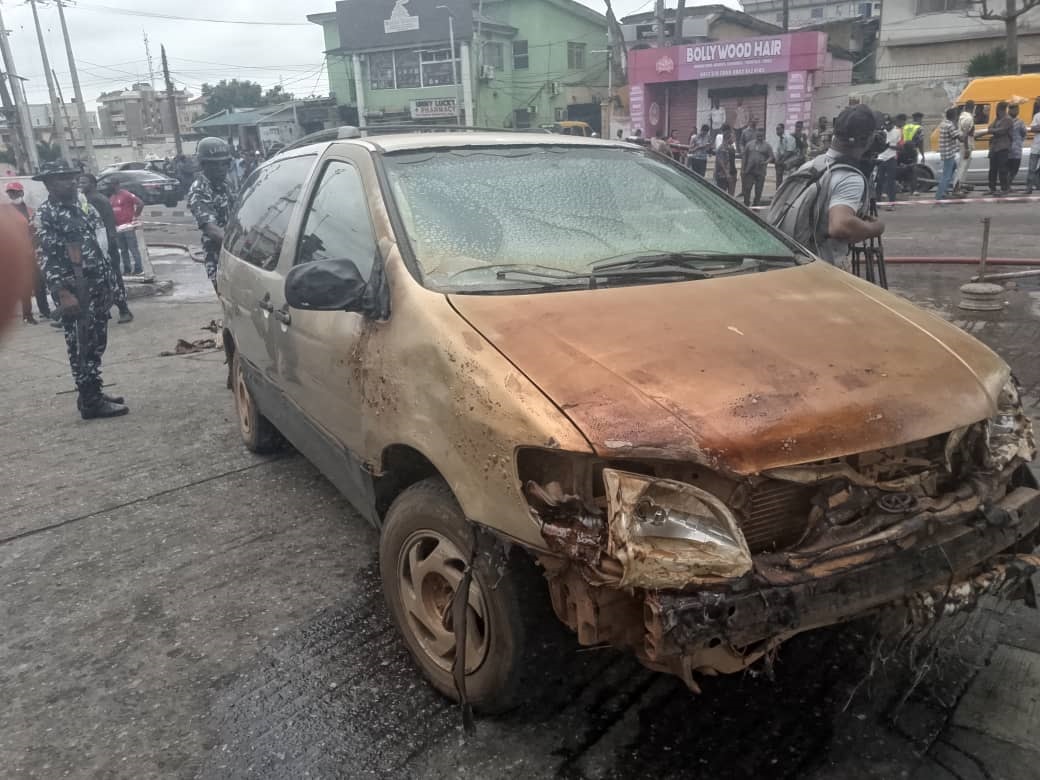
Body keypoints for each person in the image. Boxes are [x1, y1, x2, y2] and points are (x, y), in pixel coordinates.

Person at [32, 160, 128, 419]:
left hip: (98, 285)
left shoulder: (82, 206)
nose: (71, 182)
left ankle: (92, 391)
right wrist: (63, 294)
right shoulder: (46, 215)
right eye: (63, 178)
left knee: (96, 343)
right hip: (76, 291)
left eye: (72, 177)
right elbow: (45, 259)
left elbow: (99, 243)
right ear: (49, 183)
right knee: (81, 345)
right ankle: (90, 402)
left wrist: (111, 284)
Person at [769, 104, 885, 270]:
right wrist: (876, 227)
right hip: (824, 269)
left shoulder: (813, 165)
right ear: (867, 139)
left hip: (797, 261)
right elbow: (840, 226)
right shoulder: (849, 177)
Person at [81, 174, 133, 324]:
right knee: (98, 281)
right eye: (79, 182)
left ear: (93, 183)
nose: (80, 184)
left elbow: (109, 223)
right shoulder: (85, 200)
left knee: (113, 278)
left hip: (105, 246)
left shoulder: (98, 199)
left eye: (84, 182)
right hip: (94, 246)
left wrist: (109, 245)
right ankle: (104, 310)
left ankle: (124, 309)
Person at [188, 137, 236, 291]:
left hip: (238, 253)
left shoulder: (227, 183)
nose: (221, 168)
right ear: (204, 165)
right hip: (219, 257)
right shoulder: (199, 190)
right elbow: (211, 229)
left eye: (225, 164)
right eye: (215, 164)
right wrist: (240, 247)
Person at [4, 182, 50, 325]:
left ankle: (45, 310)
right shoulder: (5, 213)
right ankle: (27, 315)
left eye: (15, 192)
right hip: (19, 254)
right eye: (10, 193)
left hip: (34, 252)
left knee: (40, 283)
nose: (13, 195)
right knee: (25, 285)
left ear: (21, 193)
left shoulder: (30, 210)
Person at [108, 180, 144, 275]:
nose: (110, 187)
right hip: (119, 228)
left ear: (117, 185)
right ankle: (127, 269)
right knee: (123, 250)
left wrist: (135, 216)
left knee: (133, 248)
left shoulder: (126, 194)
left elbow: (140, 203)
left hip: (128, 226)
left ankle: (138, 268)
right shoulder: (111, 198)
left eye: (112, 184)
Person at [980, 101, 1013, 195]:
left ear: (1001, 110)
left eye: (998, 109)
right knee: (992, 169)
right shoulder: (997, 119)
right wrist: (992, 129)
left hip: (1003, 147)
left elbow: (1001, 131)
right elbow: (990, 127)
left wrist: (991, 130)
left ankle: (1004, 188)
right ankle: (992, 188)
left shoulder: (1008, 119)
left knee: (1003, 169)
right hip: (994, 147)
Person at [741, 128, 774, 207]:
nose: (759, 137)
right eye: (758, 136)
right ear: (756, 135)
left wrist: (766, 162)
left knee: (758, 190)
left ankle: (756, 205)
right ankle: (746, 204)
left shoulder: (767, 146)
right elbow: (745, 157)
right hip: (749, 170)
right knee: (747, 188)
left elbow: (771, 157)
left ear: (763, 136)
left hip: (760, 171)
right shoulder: (749, 144)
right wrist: (743, 169)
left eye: (761, 136)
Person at [935, 107, 962, 202]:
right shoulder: (950, 126)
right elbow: (960, 138)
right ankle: (940, 195)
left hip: (945, 152)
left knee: (952, 168)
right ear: (954, 116)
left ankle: (944, 191)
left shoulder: (944, 123)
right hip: (949, 153)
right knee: (946, 175)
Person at [875, 115, 900, 209]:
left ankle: (891, 203)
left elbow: (900, 147)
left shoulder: (898, 132)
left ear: (892, 124)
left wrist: (888, 145)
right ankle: (878, 202)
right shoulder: (882, 133)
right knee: (879, 181)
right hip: (881, 159)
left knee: (891, 182)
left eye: (888, 125)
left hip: (891, 158)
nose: (887, 127)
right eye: (885, 125)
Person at [953, 100, 976, 196]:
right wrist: (967, 148)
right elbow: (966, 134)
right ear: (973, 107)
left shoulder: (962, 116)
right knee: (962, 166)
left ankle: (960, 186)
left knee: (963, 166)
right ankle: (956, 188)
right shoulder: (968, 118)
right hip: (966, 145)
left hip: (963, 143)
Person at [1007, 103, 1027, 186]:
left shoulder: (1020, 121)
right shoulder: (1006, 121)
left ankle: (1008, 185)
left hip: (1016, 150)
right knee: (1009, 169)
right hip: (1009, 150)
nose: (1017, 111)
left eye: (1018, 110)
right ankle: (1007, 186)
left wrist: (1019, 141)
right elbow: (1024, 133)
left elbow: (1024, 133)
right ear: (1010, 110)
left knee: (1014, 169)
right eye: (1015, 110)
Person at [774, 123, 799, 188]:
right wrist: (777, 161)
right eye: (776, 129)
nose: (777, 131)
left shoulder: (789, 138)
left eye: (778, 129)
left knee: (787, 179)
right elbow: (779, 152)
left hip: (790, 161)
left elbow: (789, 151)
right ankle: (778, 193)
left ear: (783, 129)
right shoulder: (780, 140)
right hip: (783, 161)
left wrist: (781, 161)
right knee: (779, 177)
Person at [714, 127, 736, 196]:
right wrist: (727, 174)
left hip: (732, 173)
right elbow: (721, 162)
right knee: (722, 194)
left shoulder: (731, 148)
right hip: (723, 175)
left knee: (731, 195)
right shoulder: (722, 148)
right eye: (732, 137)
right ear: (728, 138)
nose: (734, 139)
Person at [1027, 99, 1040, 194]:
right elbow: (1032, 128)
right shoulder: (1037, 115)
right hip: (1036, 146)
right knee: (1032, 168)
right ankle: (1029, 187)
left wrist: (1038, 127)